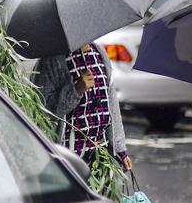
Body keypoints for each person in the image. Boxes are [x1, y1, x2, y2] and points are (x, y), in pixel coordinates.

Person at [34, 43, 131, 172]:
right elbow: (44, 110)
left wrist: (120, 150)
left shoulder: (100, 53)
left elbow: (112, 104)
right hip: (69, 155)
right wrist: (76, 90)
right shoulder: (52, 60)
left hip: (100, 155)